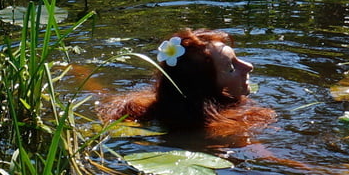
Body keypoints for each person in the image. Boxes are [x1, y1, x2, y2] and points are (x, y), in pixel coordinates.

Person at [96, 28, 275, 138]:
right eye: (231, 68)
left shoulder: (141, 110)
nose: (249, 66)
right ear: (207, 91)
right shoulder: (226, 130)